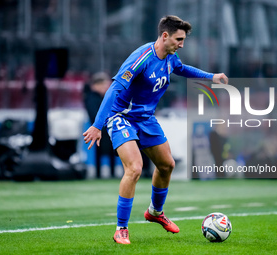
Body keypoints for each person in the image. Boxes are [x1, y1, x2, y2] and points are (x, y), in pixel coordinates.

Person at [83, 15, 228, 244]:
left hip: (146, 119)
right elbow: (113, 89)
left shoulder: (171, 57)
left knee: (167, 165)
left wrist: (212, 77)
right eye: (179, 39)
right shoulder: (141, 58)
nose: (181, 44)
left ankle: (155, 213)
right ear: (164, 36)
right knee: (135, 168)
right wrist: (97, 125)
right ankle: (121, 228)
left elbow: (183, 69)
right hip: (122, 117)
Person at [83, 72, 115, 178]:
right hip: (100, 129)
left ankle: (111, 173)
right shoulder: (91, 98)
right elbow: (94, 115)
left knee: (111, 151)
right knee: (100, 150)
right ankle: (99, 174)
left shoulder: (103, 97)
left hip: (107, 128)